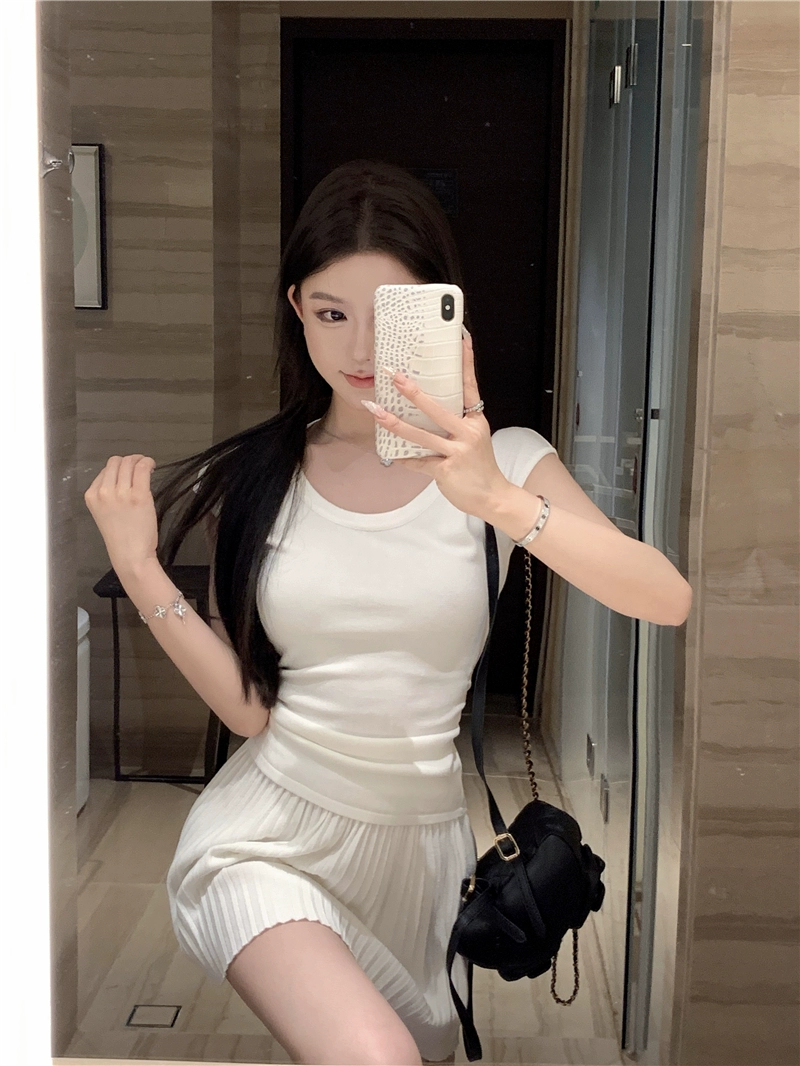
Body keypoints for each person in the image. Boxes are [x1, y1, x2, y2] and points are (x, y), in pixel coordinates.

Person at [84, 159, 692, 1065]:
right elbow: (248, 712)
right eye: (332, 314)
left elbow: (665, 598)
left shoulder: (508, 462)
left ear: (442, 314)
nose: (360, 347)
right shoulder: (256, 476)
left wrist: (497, 500)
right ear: (296, 308)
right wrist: (140, 569)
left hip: (422, 855)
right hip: (268, 835)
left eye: (388, 314)